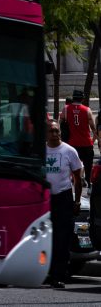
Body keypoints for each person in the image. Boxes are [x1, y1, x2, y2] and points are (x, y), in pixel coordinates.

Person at [45, 118, 83, 286]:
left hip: (63, 197)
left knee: (62, 237)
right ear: (46, 133)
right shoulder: (40, 151)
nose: (54, 134)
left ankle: (59, 275)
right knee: (47, 237)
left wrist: (76, 201)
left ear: (60, 132)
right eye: (51, 131)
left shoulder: (69, 151)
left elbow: (77, 178)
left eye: (57, 131)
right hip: (45, 200)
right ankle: (46, 272)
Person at [60, 90, 96, 187]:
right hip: (86, 143)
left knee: (72, 166)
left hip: (72, 143)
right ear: (82, 98)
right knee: (88, 166)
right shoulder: (87, 110)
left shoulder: (66, 109)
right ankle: (89, 185)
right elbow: (93, 128)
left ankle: (73, 183)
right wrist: (94, 140)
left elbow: (61, 123)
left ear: (73, 98)